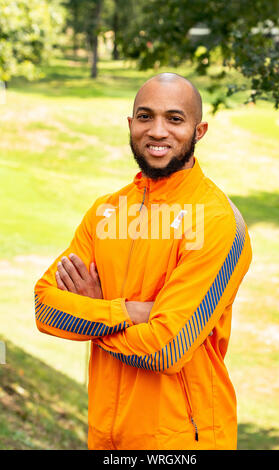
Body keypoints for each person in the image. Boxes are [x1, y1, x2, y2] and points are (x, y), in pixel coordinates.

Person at [34, 72, 252, 450]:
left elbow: (167, 347)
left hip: (184, 442)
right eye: (146, 116)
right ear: (131, 124)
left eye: (175, 119)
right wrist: (131, 312)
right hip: (105, 438)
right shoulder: (105, 212)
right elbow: (44, 308)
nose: (158, 131)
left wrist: (92, 313)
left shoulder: (216, 221)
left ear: (199, 131)